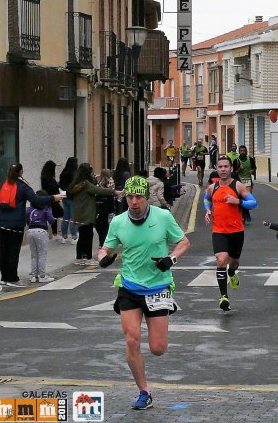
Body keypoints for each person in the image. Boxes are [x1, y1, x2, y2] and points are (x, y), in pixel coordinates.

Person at [98, 176, 190, 410]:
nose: (134, 201)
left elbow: (184, 242)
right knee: (132, 339)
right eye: (130, 197)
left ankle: (146, 383)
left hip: (158, 286)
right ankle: (144, 392)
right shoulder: (118, 222)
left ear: (146, 197)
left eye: (139, 196)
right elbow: (105, 248)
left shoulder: (163, 217)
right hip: (129, 286)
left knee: (157, 349)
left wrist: (171, 259)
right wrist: (103, 259)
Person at [0, 163, 63, 287]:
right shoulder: (23, 187)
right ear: (21, 172)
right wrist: (53, 198)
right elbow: (36, 200)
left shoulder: (2, 184)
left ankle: (4, 278)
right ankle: (13, 278)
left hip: (1, 223)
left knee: (4, 250)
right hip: (16, 224)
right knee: (13, 251)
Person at [204, 155, 257, 311]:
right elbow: (206, 199)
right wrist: (207, 210)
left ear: (231, 169)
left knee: (233, 262)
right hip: (218, 231)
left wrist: (238, 201)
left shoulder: (238, 186)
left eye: (226, 166)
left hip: (236, 231)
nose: (223, 169)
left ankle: (232, 272)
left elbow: (254, 203)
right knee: (221, 260)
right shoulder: (212, 187)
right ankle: (223, 297)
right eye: (220, 167)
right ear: (217, 169)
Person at [68, 163, 122, 266]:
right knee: (88, 236)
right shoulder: (86, 184)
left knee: (82, 236)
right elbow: (99, 190)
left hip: (79, 213)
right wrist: (114, 192)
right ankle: (88, 257)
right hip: (87, 213)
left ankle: (79, 257)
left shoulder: (76, 184)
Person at [26, 190, 56, 283]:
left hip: (30, 231)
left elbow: (27, 221)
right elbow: (51, 221)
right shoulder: (45, 208)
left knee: (34, 255)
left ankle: (34, 276)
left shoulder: (29, 209)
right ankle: (42, 276)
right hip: (41, 231)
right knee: (42, 255)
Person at [233, 145, 257, 223]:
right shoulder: (236, 161)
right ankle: (245, 215)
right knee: (242, 199)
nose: (242, 152)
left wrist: (252, 171)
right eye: (241, 151)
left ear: (246, 151)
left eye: (244, 150)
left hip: (248, 182)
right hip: (239, 182)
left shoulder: (250, 159)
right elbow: (234, 173)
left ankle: (246, 214)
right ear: (239, 151)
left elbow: (254, 168)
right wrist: (239, 168)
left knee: (247, 199)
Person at [41, 160, 63, 240]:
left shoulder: (46, 177)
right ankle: (54, 233)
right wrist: (58, 185)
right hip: (51, 198)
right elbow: (51, 187)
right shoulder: (47, 178)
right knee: (57, 213)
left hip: (52, 198)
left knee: (55, 215)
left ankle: (54, 233)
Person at [59, 157, 79, 244]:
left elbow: (59, 184)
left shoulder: (63, 173)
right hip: (73, 197)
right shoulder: (75, 174)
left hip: (64, 196)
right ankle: (74, 237)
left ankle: (64, 237)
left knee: (65, 217)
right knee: (73, 218)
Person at [95, 168, 115, 248]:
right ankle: (104, 242)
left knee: (100, 224)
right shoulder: (111, 181)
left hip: (99, 205)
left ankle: (101, 242)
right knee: (106, 224)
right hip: (108, 205)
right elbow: (112, 192)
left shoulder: (98, 182)